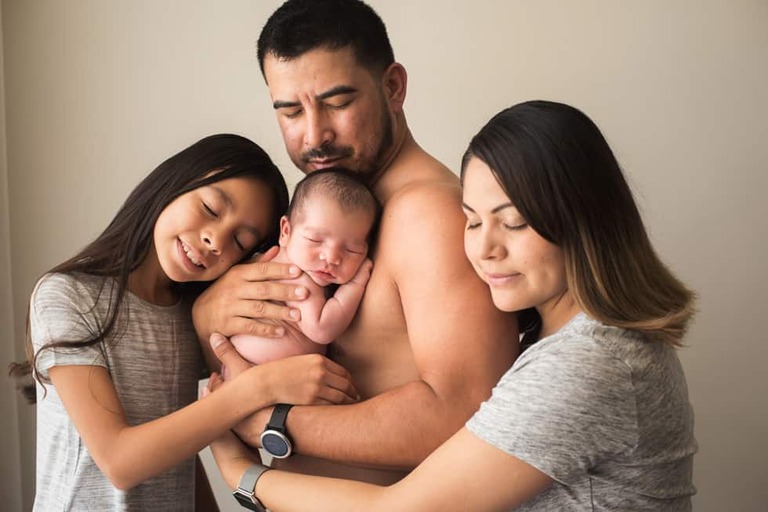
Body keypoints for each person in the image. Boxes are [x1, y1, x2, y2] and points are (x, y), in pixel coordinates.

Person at [207, 100, 698, 511]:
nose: (485, 249)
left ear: (582, 220)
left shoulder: (591, 362)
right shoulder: (553, 345)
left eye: (514, 222)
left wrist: (242, 466)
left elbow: (398, 509)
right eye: (473, 220)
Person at [191, 0, 518, 484]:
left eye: (338, 103)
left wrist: (270, 423)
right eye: (289, 112)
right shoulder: (324, 215)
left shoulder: (427, 215)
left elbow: (467, 409)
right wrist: (207, 313)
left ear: (392, 87)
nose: (314, 135)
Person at [9, 134, 358, 511]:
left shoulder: (192, 316)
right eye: (210, 208)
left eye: (240, 241)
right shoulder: (68, 295)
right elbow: (121, 461)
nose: (214, 240)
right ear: (172, 184)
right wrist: (263, 385)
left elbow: (180, 443)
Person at [227, 167, 378, 369]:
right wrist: (355, 284)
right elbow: (321, 329)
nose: (332, 258)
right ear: (286, 231)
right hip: (257, 377)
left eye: (351, 250)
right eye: (315, 239)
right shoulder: (294, 275)